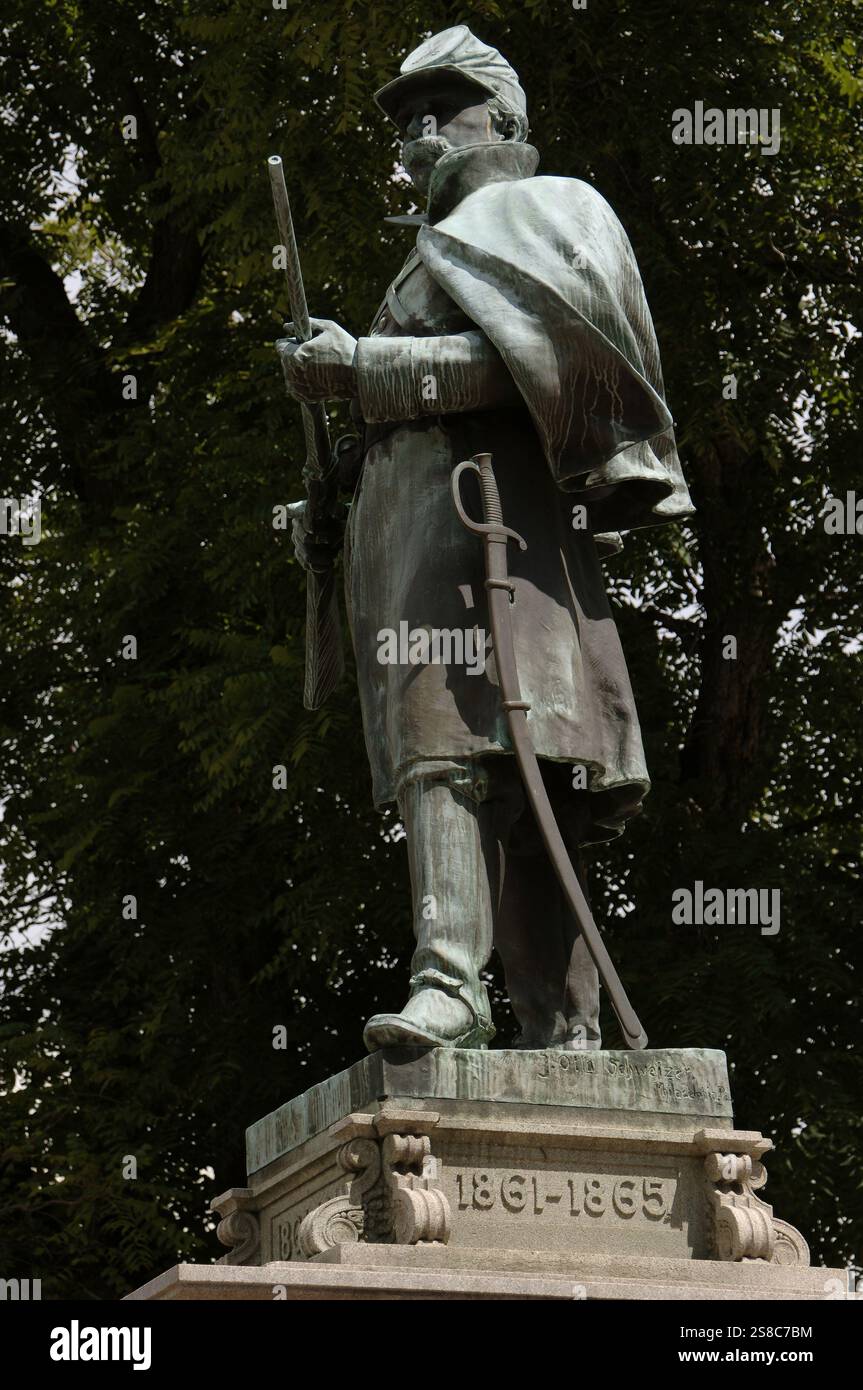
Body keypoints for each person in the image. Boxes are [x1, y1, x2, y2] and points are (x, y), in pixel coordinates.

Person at [277, 26, 693, 1052]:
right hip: (416, 541)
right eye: (408, 115)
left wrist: (366, 364)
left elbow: (548, 369)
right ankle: (530, 1017)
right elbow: (390, 425)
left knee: (497, 764)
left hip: (500, 539)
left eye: (443, 104)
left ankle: (481, 997)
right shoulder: (425, 255)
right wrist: (325, 502)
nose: (420, 128)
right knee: (457, 760)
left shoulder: (543, 210)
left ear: (503, 116)